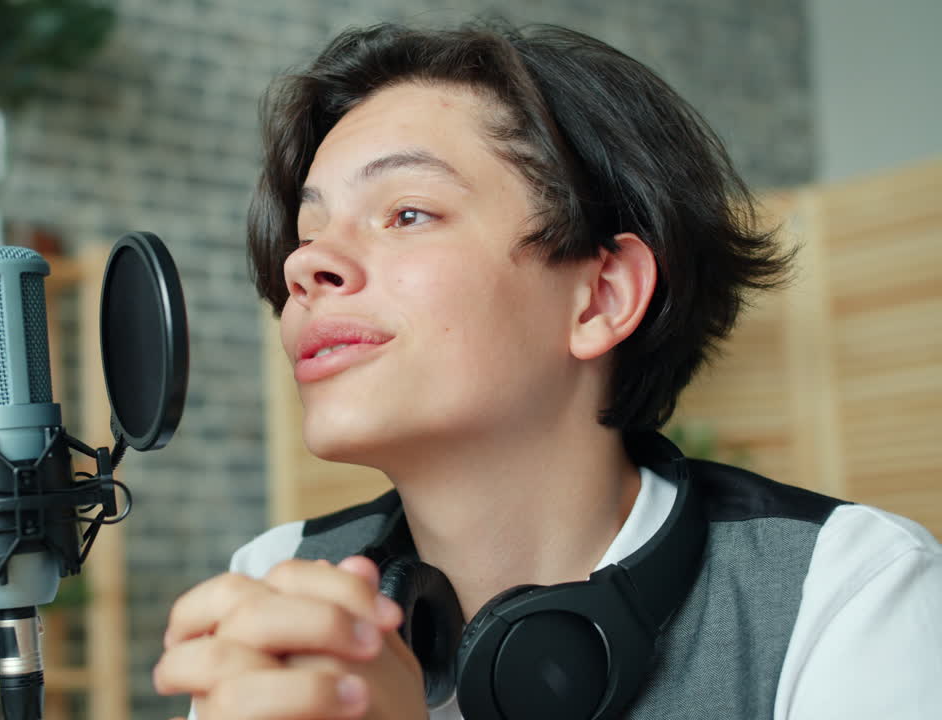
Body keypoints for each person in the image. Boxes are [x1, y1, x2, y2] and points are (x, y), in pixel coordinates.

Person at [152, 19, 942, 720]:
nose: (306, 266)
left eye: (407, 213)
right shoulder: (278, 580)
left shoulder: (849, 593)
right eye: (307, 233)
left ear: (601, 296)